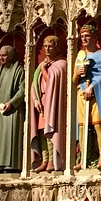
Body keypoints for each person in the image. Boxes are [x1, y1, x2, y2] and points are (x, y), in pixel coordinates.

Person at [72, 25, 101, 170]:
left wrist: (93, 86)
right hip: (82, 93)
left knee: (98, 124)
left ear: (95, 37)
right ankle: (83, 159)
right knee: (82, 127)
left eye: (87, 35)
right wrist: (77, 73)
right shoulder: (80, 56)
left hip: (97, 93)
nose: (84, 38)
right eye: (82, 36)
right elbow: (73, 80)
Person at [30, 35, 67, 172]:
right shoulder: (42, 65)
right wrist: (35, 99)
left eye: (50, 46)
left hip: (54, 102)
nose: (47, 49)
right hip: (42, 101)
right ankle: (44, 160)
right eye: (45, 46)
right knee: (40, 131)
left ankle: (52, 160)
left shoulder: (62, 63)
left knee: (50, 130)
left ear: (57, 47)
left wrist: (45, 70)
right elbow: (34, 84)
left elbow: (52, 81)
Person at [0, 45, 25, 172]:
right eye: (0, 56)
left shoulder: (18, 70)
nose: (1, 58)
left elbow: (23, 89)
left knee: (10, 138)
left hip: (12, 110)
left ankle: (10, 166)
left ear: (11, 56)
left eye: (4, 55)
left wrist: (12, 103)